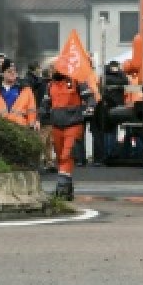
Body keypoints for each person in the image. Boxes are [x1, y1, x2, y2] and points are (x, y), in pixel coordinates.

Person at [39, 59, 96, 200]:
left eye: (53, 68)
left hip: (73, 124)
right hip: (57, 125)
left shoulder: (76, 81)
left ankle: (62, 187)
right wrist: (40, 115)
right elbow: (45, 104)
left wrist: (90, 107)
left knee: (67, 155)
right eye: (50, 68)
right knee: (60, 157)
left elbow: (89, 97)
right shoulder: (50, 85)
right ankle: (67, 187)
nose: (51, 71)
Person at [0, 59, 39, 128]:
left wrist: (34, 122)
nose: (13, 73)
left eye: (14, 71)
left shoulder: (26, 89)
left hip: (19, 130)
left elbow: (31, 109)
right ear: (2, 73)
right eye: (9, 71)